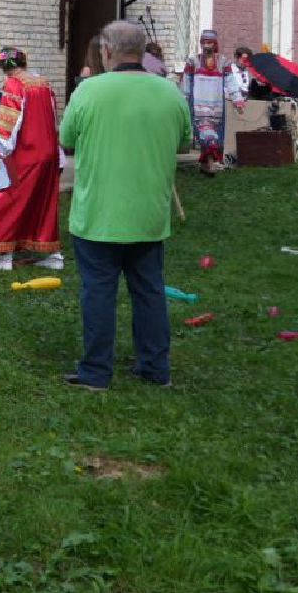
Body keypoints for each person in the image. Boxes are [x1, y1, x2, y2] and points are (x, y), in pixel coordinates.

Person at [59, 20, 193, 390]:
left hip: (98, 213)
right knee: (149, 290)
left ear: (106, 51)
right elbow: (185, 143)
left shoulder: (89, 91)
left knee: (98, 292)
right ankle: (155, 367)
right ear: (144, 51)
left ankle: (95, 372)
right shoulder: (169, 92)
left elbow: (67, 140)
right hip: (149, 212)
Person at [0, 47, 64, 273]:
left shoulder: (14, 85)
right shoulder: (44, 84)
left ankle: (4, 256)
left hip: (25, 153)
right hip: (47, 152)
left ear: (3, 67)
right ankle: (53, 254)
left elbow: (9, 121)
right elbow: (53, 118)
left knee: (6, 199)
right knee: (43, 202)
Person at [181, 29, 247, 176]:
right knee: (207, 136)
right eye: (204, 42)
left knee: (213, 138)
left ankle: (205, 164)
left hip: (217, 107)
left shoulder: (224, 62)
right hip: (198, 107)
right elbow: (186, 83)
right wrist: (183, 101)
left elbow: (231, 82)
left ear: (215, 44)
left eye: (210, 42)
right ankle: (210, 164)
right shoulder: (193, 62)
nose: (207, 46)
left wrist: (238, 100)